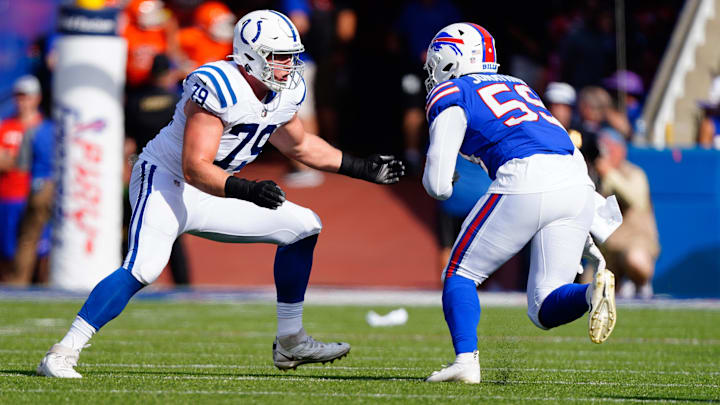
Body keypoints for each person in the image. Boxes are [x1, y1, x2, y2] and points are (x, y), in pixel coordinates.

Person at [37, 9, 404, 378]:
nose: (288, 66)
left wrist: (360, 168)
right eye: (279, 57)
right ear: (250, 56)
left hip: (215, 186)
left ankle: (290, 340)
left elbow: (301, 145)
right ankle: (63, 351)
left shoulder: (285, 90)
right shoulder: (218, 85)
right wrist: (248, 189)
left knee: (304, 226)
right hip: (166, 180)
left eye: (292, 57)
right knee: (145, 266)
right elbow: (194, 166)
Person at [421, 23, 616, 384]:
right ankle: (593, 291)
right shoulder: (519, 85)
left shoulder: (452, 91)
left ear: (451, 58)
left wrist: (445, 181)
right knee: (543, 307)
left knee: (460, 273)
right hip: (576, 179)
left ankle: (466, 361)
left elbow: (436, 184)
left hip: (526, 174)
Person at [124, 54, 190, 284]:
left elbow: (128, 142)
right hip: (173, 170)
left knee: (135, 227)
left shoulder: (135, 101)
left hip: (141, 168)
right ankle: (183, 284)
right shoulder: (178, 100)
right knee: (174, 232)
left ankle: (131, 278)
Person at [0, 75, 54, 284]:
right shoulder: (6, 125)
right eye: (19, 97)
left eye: (26, 97)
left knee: (40, 250)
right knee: (9, 253)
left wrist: (7, 158)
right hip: (8, 197)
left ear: (37, 98)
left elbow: (14, 162)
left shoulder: (43, 127)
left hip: (31, 193)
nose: (22, 101)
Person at [594, 128, 659, 299]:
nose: (605, 153)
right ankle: (621, 284)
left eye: (609, 148)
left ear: (621, 150)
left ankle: (639, 283)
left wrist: (610, 174)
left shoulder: (634, 173)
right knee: (588, 289)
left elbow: (637, 200)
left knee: (636, 260)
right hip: (609, 251)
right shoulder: (594, 176)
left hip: (634, 243)